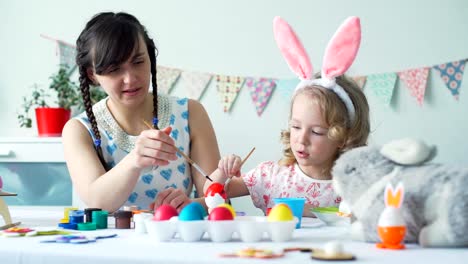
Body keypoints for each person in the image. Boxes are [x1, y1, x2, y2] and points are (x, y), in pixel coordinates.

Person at [205, 16, 370, 217]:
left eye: (317, 131)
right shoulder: (270, 177)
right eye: (296, 127)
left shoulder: (356, 185)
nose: (302, 139)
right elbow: (213, 193)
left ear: (344, 137)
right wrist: (223, 172)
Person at [62, 12, 220, 213]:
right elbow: (97, 203)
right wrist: (134, 160)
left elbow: (217, 196)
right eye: (114, 69)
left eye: (138, 62)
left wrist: (190, 206)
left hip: (179, 237)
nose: (130, 78)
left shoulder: (190, 113)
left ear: (151, 58)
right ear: (92, 75)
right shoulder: (79, 130)